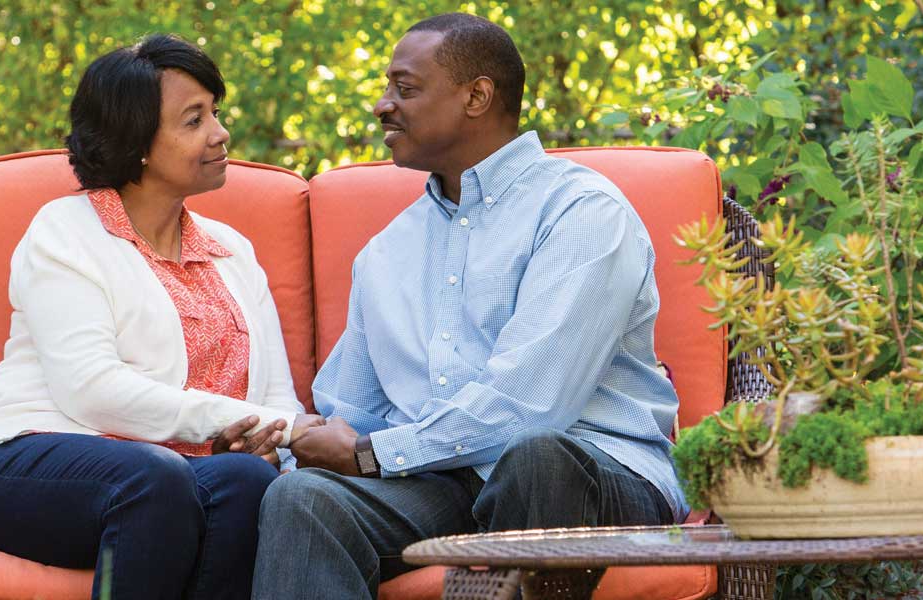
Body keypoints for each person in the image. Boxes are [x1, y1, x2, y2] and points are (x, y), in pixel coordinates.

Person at [255, 13, 686, 598]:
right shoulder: (385, 253)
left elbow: (532, 407)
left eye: (404, 89)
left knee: (535, 459)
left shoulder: (580, 212)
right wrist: (297, 449)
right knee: (303, 498)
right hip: (443, 482)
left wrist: (371, 454)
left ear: (477, 96)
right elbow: (351, 408)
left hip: (594, 471)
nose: (383, 106)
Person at [0, 34, 321, 600]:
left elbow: (277, 400)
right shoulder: (66, 232)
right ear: (136, 141)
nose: (220, 133)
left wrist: (267, 441)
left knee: (246, 480)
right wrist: (261, 423)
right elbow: (92, 390)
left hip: (173, 485)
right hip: (15, 462)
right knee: (152, 478)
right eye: (194, 120)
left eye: (216, 112)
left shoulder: (232, 251)